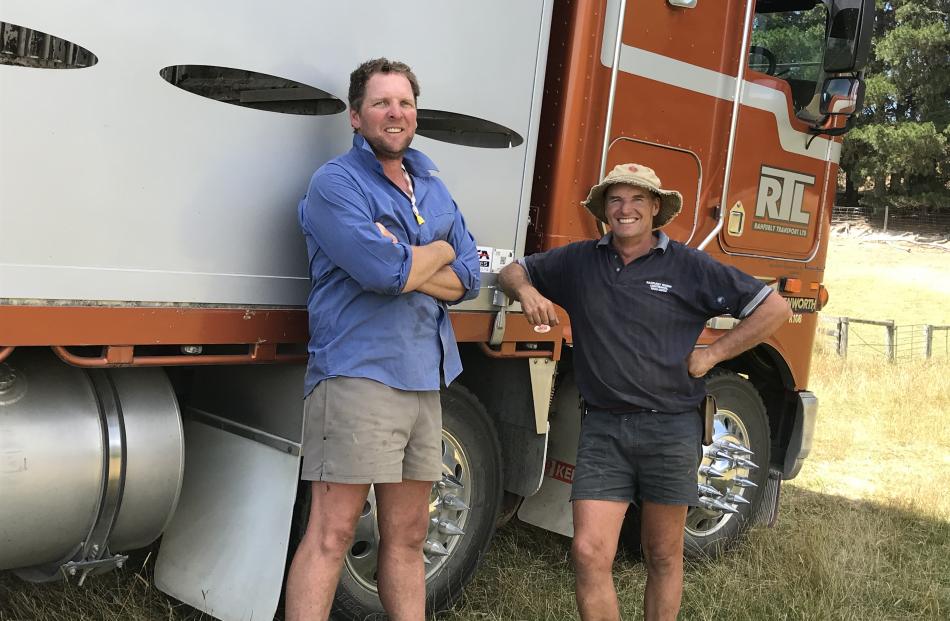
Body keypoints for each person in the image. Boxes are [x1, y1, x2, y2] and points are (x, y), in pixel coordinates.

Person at [498, 163, 790, 621]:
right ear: (604, 210)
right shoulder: (580, 261)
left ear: (656, 208)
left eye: (637, 199)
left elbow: (774, 308)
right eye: (616, 199)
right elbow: (512, 271)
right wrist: (529, 292)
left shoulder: (689, 266)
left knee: (662, 554)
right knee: (589, 553)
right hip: (604, 429)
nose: (626, 209)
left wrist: (713, 356)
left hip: (671, 429)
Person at [285, 58, 480, 621]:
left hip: (426, 375)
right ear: (355, 116)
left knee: (411, 533)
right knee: (333, 531)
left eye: (405, 103)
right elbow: (381, 273)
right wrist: (429, 254)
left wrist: (423, 254)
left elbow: (467, 273)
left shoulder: (432, 184)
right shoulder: (336, 184)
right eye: (381, 103)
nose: (395, 113)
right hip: (357, 374)